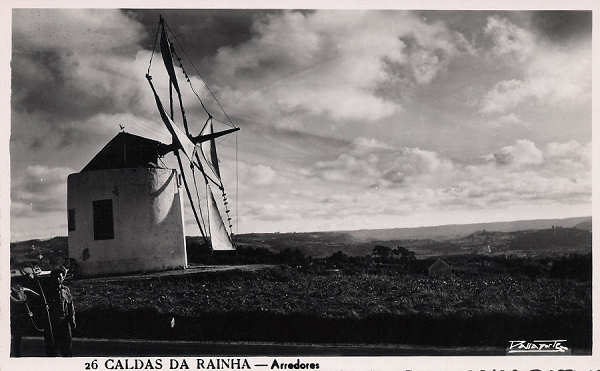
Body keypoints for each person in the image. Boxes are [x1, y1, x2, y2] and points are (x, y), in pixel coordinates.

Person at [43, 266, 76, 357]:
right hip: (51, 323)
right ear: (52, 278)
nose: (58, 279)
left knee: (67, 347)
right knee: (52, 349)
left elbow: (70, 305)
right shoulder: (46, 291)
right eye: (56, 277)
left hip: (64, 322)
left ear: (62, 278)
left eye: (60, 277)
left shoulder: (65, 290)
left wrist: (72, 320)